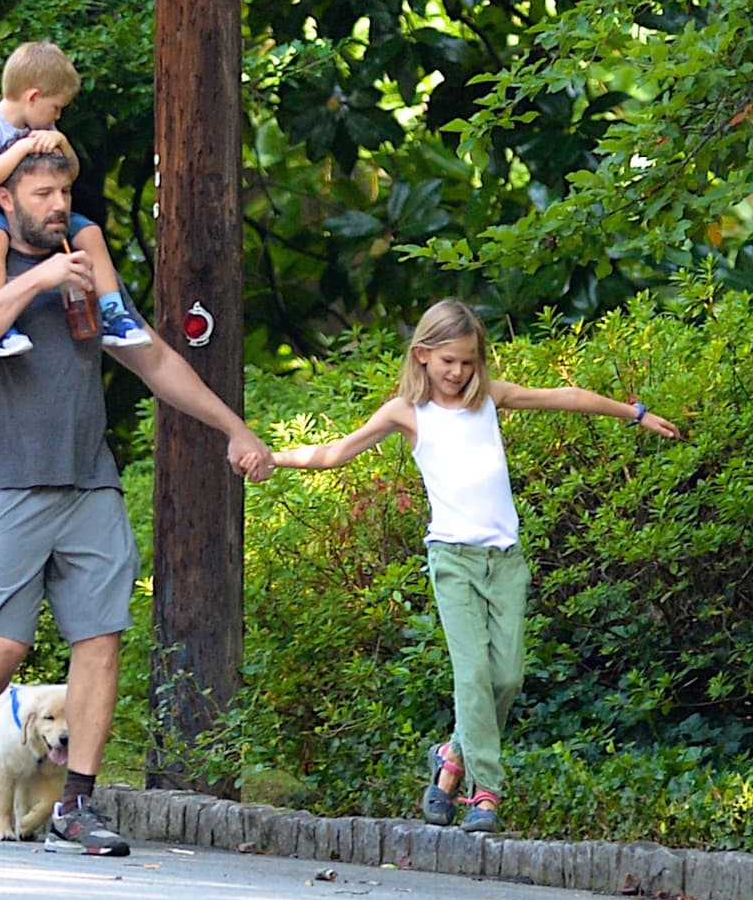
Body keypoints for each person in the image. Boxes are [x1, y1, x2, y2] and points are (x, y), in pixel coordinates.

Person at [0, 150, 274, 855]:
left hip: (89, 483)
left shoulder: (88, 272)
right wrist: (41, 281)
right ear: (6, 197)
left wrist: (233, 426)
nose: (59, 204)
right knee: (1, 647)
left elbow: (152, 356)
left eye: (65, 191)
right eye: (43, 191)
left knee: (101, 639)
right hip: (7, 483)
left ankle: (75, 804)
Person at [246, 298, 681, 833]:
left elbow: (564, 396)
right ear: (423, 355)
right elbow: (334, 453)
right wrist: (271, 457)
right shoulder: (405, 413)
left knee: (508, 677)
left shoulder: (489, 400)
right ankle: (486, 792)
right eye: (448, 360)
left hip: (506, 560)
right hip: (451, 559)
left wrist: (633, 413)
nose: (458, 372)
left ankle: (451, 756)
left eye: (468, 362)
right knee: (473, 674)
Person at [0, 40, 150, 357]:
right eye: (56, 107)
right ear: (33, 97)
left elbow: (68, 173)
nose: (56, 115)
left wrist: (61, 142)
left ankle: (114, 314)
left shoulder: (45, 127)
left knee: (90, 232)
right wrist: (23, 148)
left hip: (31, 210)